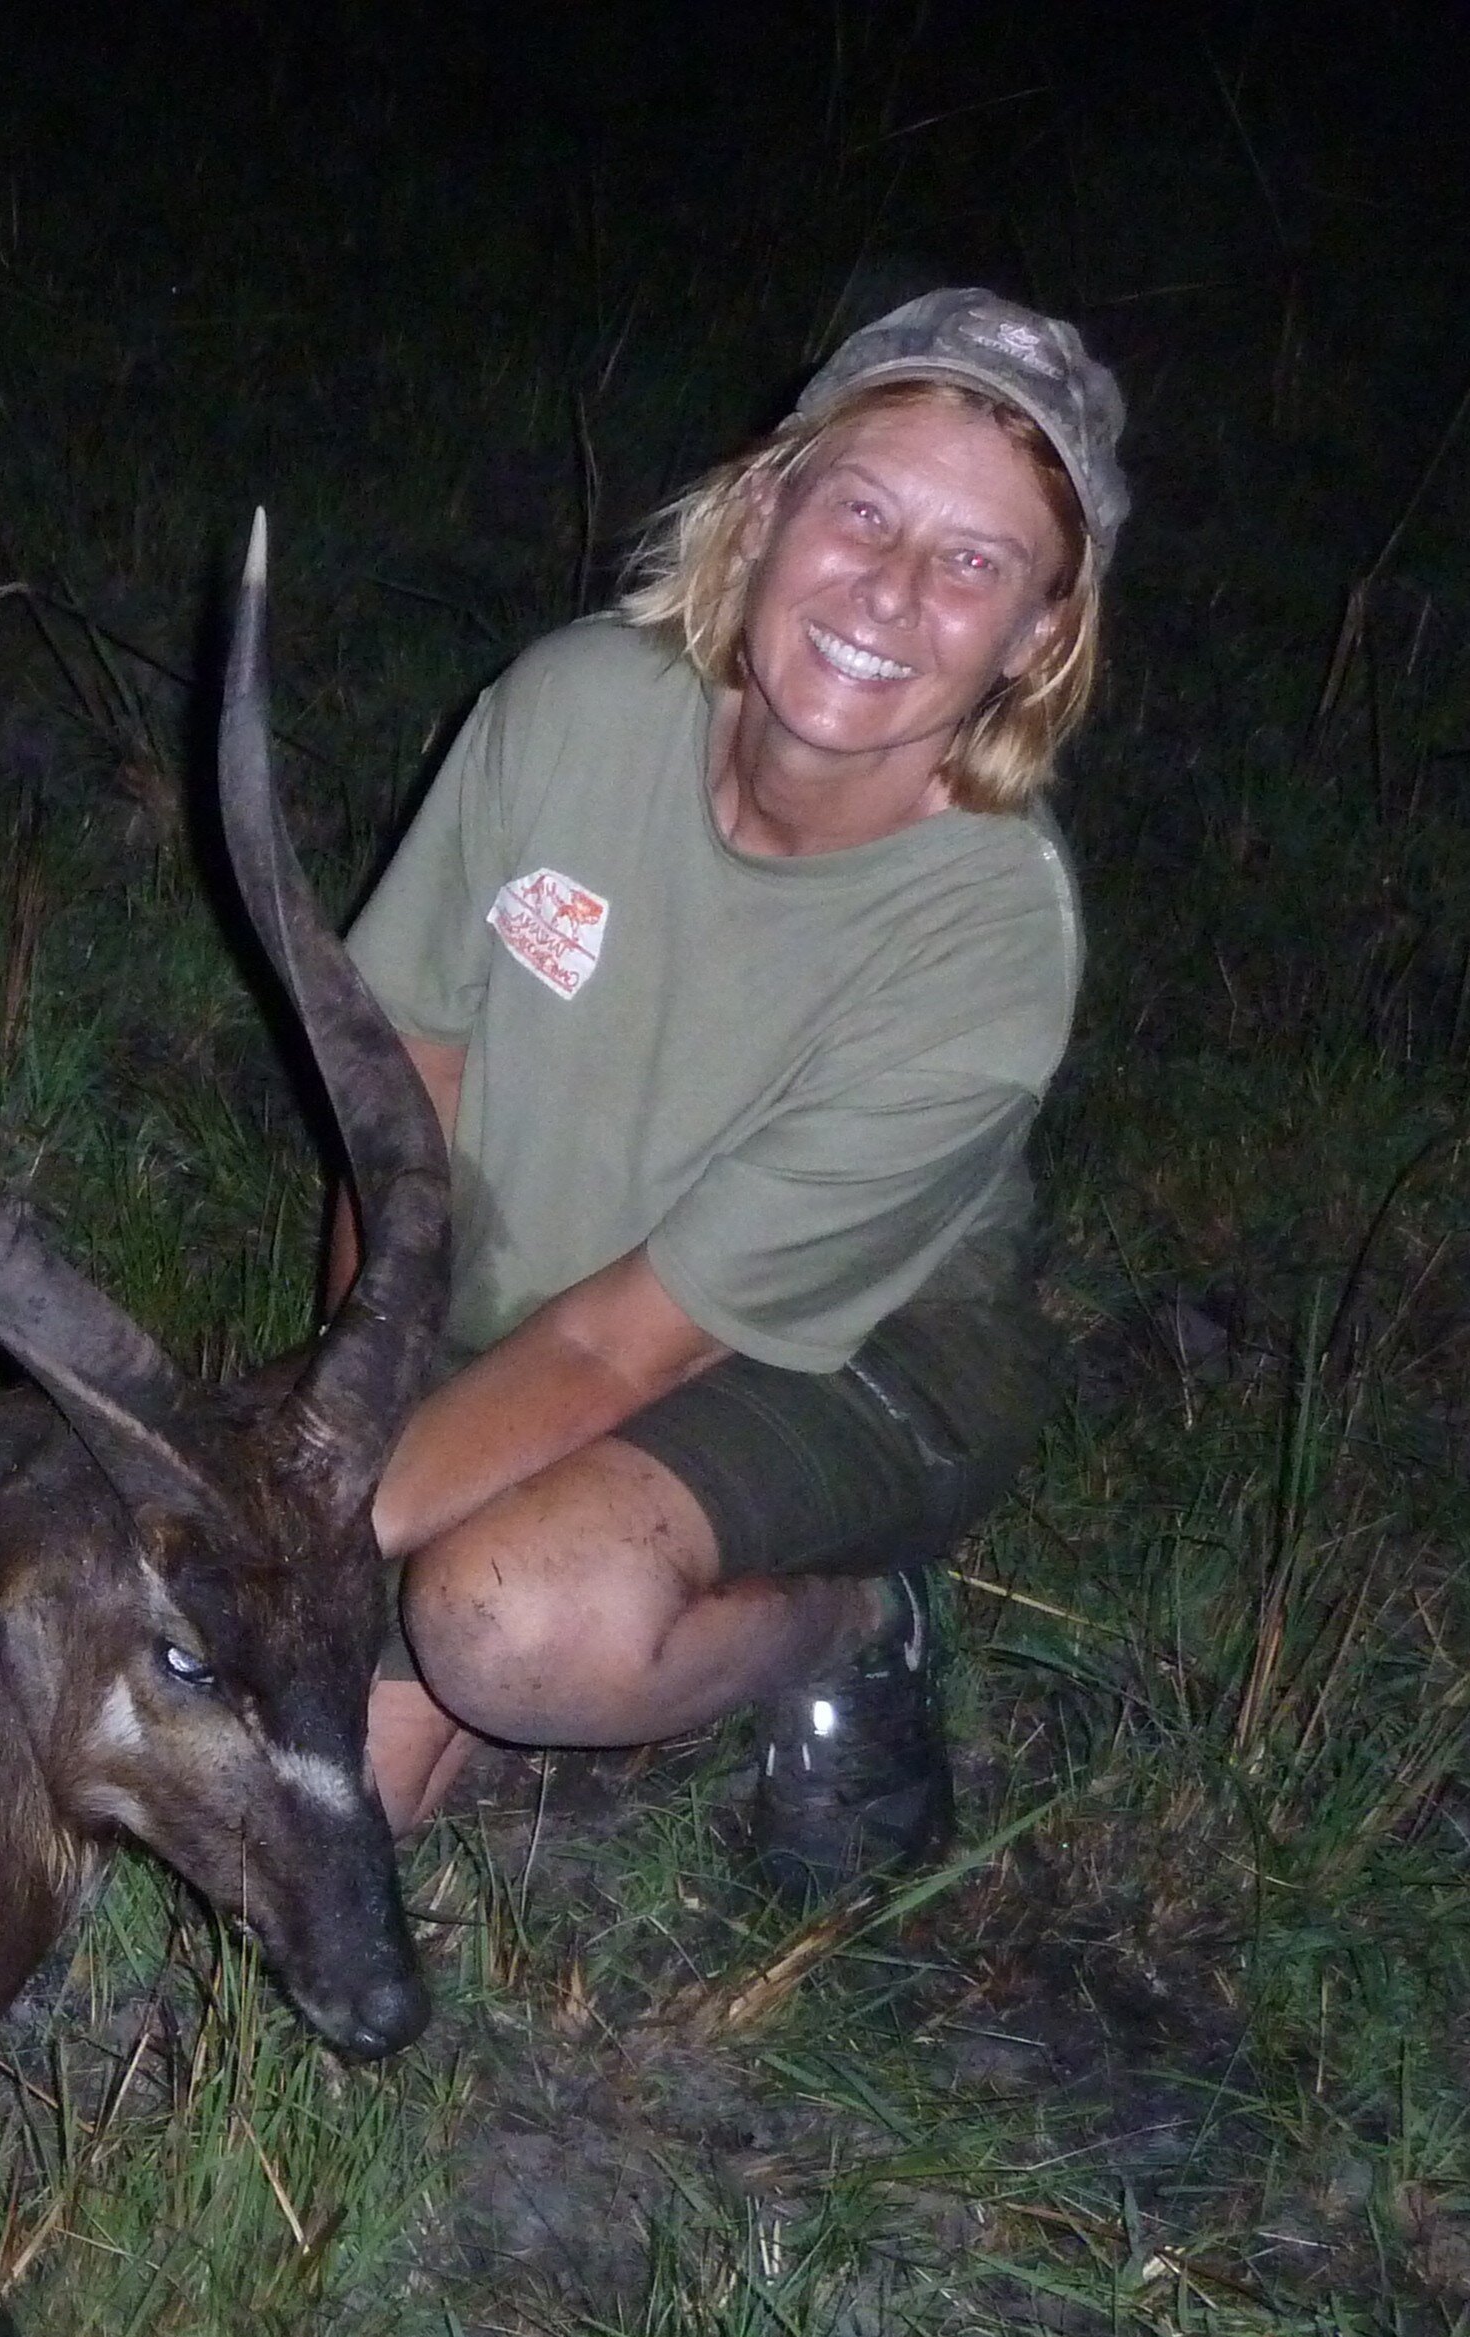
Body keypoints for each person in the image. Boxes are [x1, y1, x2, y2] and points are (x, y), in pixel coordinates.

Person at [336, 288, 1126, 1886]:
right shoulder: (571, 708)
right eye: (862, 510)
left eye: (975, 564)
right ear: (768, 504)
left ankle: (845, 1621)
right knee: (326, 1792)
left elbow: (631, 1342)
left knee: (497, 1625)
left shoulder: (991, 940)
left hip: (841, 1355)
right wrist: (352, 1402)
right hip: (545, 1315)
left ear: (1038, 632)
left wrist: (320, 1543)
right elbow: (396, 1082)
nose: (891, 594)